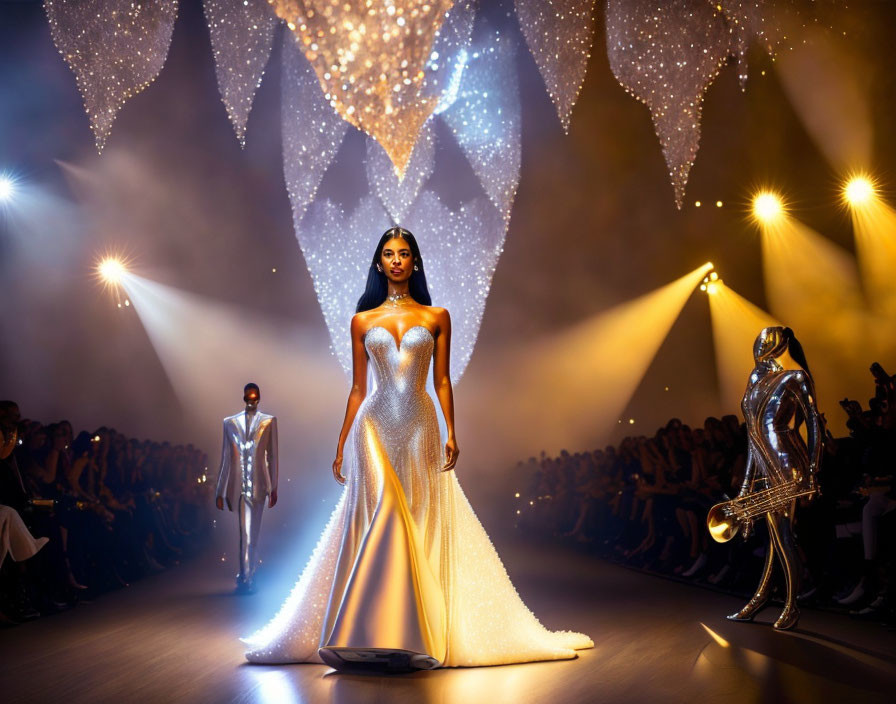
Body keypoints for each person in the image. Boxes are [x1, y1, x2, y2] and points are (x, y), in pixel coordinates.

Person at [243, 227, 592, 671]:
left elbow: (442, 380)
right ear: (378, 263)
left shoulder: (437, 316)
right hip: (372, 424)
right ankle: (368, 628)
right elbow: (357, 388)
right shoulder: (362, 321)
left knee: (419, 515)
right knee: (381, 510)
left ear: (414, 262)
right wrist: (341, 440)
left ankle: (411, 627)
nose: (395, 261)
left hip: (420, 424)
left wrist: (451, 430)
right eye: (388, 254)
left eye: (403, 254)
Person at [723, 326, 822, 631]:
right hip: (766, 465)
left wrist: (812, 471)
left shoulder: (795, 378)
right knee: (775, 537)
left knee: (782, 536)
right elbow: (752, 437)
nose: (759, 345)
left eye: (765, 341)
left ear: (776, 345)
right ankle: (763, 596)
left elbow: (814, 424)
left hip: (789, 464)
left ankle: (791, 605)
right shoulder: (755, 380)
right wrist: (744, 487)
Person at [215, 383, 278, 594]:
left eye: (255, 399)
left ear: (259, 398)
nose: (252, 403)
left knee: (253, 534)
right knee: (246, 535)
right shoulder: (229, 423)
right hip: (239, 488)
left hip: (259, 486)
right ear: (244, 398)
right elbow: (226, 457)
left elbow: (272, 456)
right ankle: (246, 578)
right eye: (248, 399)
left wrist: (273, 487)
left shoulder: (269, 422)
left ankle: (247, 575)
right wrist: (220, 491)